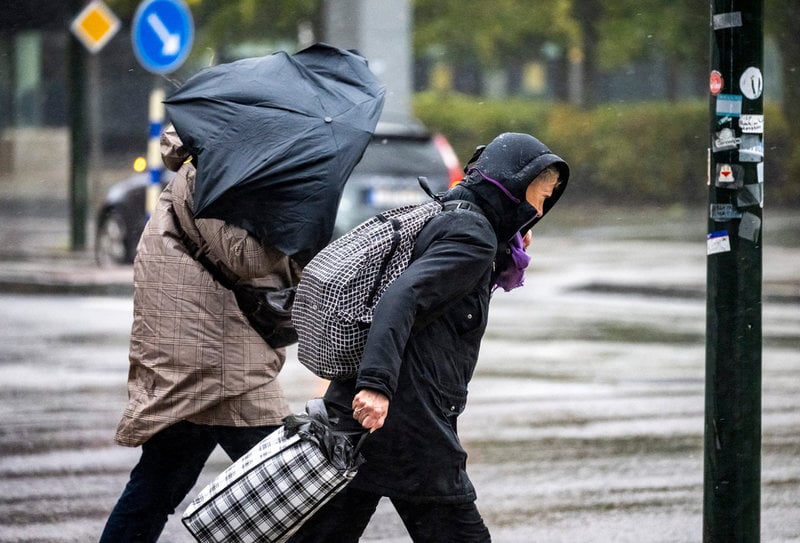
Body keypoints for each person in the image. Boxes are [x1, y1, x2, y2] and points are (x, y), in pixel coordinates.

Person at [288, 132, 569, 543]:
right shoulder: (473, 237)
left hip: (373, 421)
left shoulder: (455, 214)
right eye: (536, 197)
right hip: (409, 422)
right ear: (510, 189)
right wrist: (376, 385)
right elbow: (403, 299)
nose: (538, 210)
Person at [99, 125, 303, 542]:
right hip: (213, 351)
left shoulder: (227, 170)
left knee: (156, 485)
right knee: (285, 480)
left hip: (201, 344)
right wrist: (296, 217)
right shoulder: (210, 174)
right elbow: (245, 258)